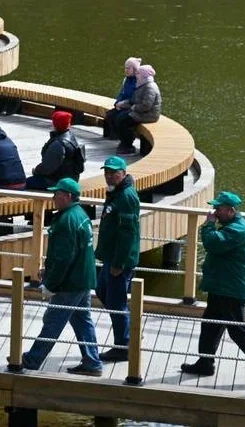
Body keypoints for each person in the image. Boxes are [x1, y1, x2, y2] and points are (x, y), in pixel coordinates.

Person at [181, 191, 245, 386]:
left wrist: (209, 224)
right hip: (222, 286)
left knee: (237, 331)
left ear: (231, 210)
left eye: (218, 209)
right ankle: (205, 362)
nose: (214, 212)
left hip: (230, 289)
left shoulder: (237, 230)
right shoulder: (233, 226)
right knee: (210, 324)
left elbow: (212, 243)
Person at [20, 178, 103, 375]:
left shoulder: (66, 221)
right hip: (83, 279)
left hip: (70, 282)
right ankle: (92, 362)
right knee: (82, 320)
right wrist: (49, 271)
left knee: (53, 320)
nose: (53, 197)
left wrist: (51, 284)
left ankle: (32, 360)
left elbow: (63, 258)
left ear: (68, 196)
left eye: (57, 194)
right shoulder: (80, 214)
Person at [94, 155, 140, 362]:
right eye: (107, 172)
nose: (109, 176)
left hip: (119, 261)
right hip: (111, 257)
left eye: (114, 173)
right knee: (102, 291)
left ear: (124, 173)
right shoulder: (116, 192)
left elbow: (128, 234)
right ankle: (129, 333)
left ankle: (124, 346)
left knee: (116, 302)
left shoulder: (126, 196)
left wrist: (119, 263)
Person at [26, 111, 83, 190]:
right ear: (69, 124)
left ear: (54, 124)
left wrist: (36, 171)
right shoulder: (71, 138)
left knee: (24, 183)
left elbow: (47, 167)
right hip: (71, 179)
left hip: (57, 182)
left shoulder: (58, 144)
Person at [116, 64, 160, 156]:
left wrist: (134, 108)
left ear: (144, 75)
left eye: (138, 74)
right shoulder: (142, 85)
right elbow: (134, 100)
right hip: (142, 112)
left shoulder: (150, 87)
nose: (136, 75)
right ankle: (125, 143)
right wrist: (124, 104)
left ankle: (128, 146)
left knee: (124, 120)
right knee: (119, 117)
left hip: (149, 115)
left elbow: (146, 106)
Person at [102, 57, 141, 140]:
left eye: (128, 68)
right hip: (124, 106)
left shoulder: (139, 81)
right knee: (109, 115)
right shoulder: (126, 79)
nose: (126, 70)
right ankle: (113, 137)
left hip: (132, 107)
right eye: (125, 68)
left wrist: (123, 104)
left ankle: (126, 141)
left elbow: (135, 98)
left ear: (134, 69)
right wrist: (117, 103)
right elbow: (121, 93)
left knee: (120, 118)